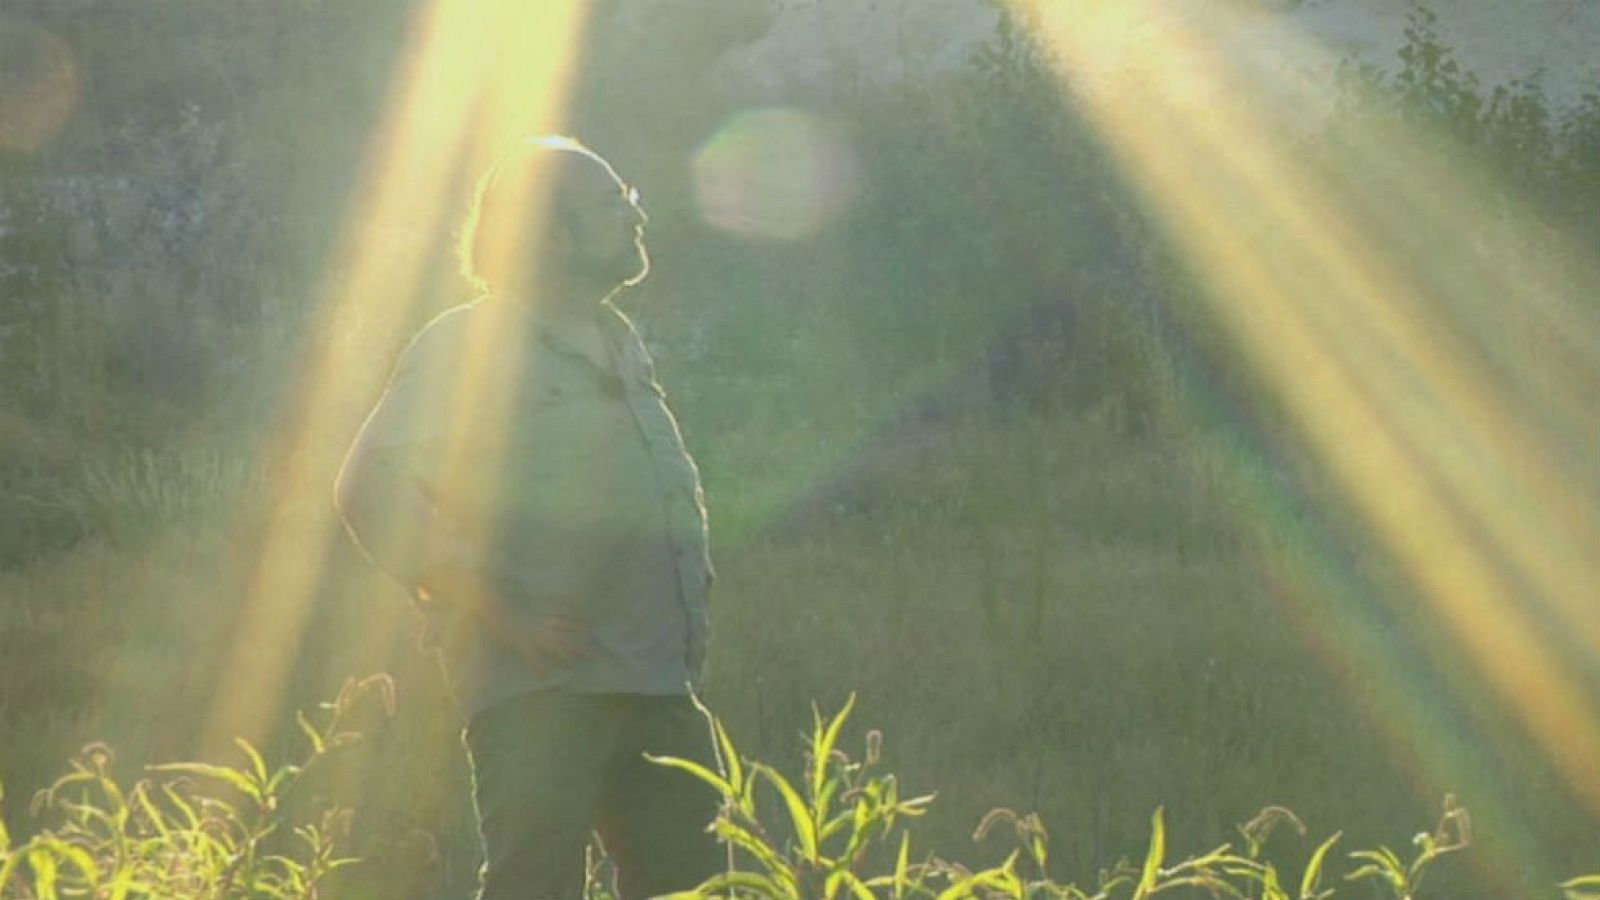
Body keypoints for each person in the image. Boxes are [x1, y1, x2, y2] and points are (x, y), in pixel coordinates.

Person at [335, 135, 720, 900]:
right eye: (613, 206)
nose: (635, 219)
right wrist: (499, 610)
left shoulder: (618, 340)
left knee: (695, 885)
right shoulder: (471, 343)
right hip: (545, 691)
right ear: (549, 236)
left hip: (654, 680)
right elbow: (368, 485)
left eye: (629, 201)